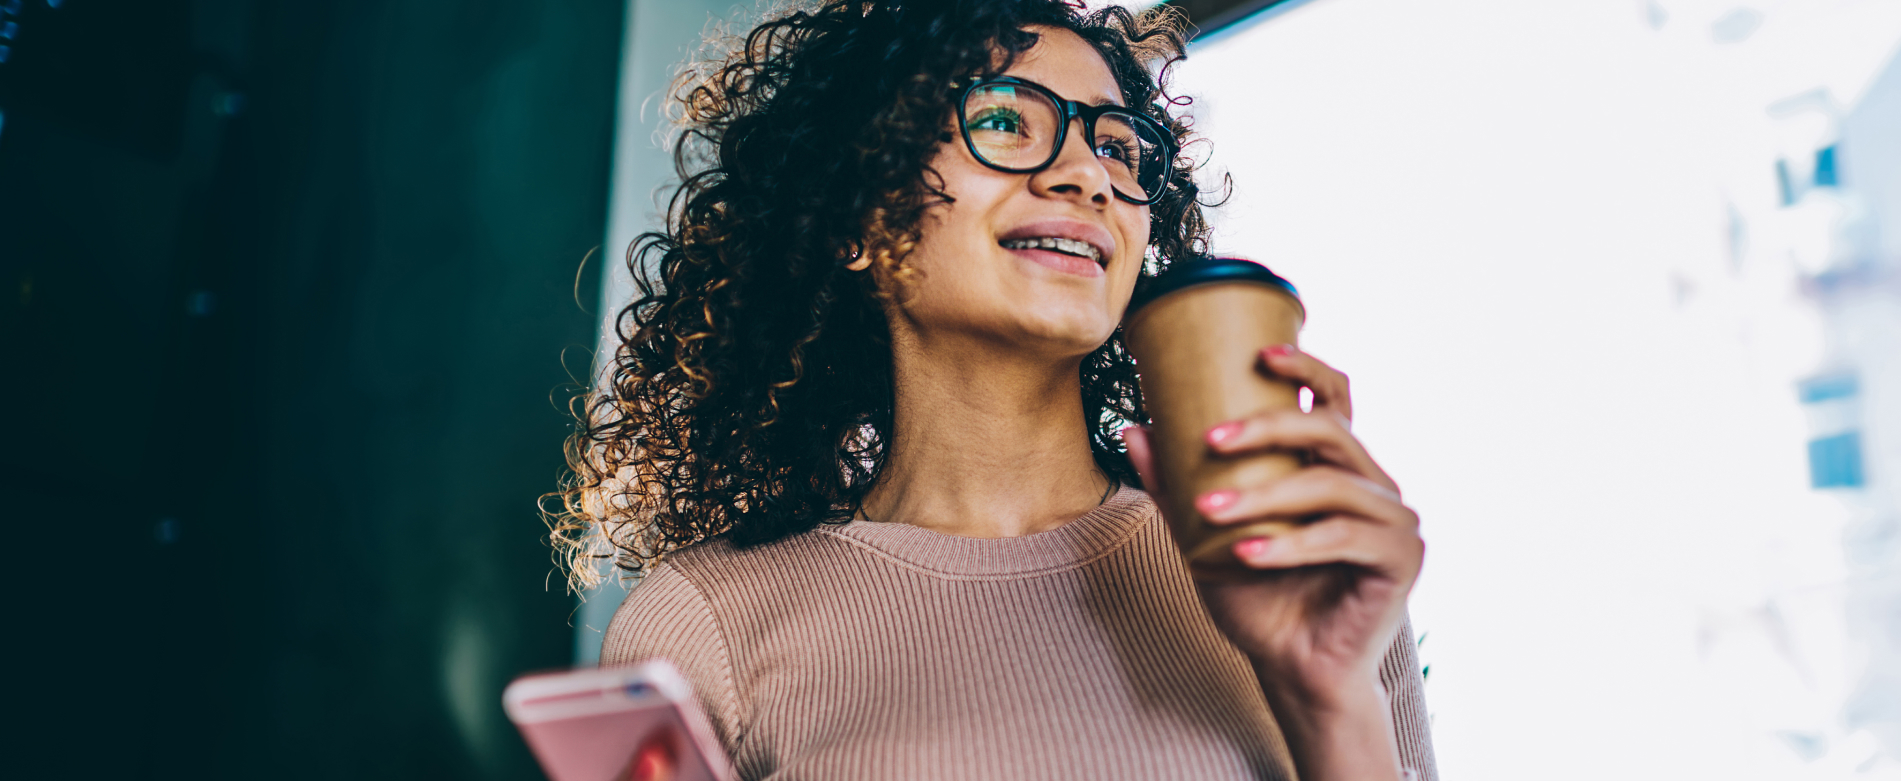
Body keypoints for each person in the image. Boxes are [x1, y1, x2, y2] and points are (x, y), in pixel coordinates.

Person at [547, 2, 1435, 778]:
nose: (1089, 175)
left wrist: (1328, 698)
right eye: (1006, 120)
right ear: (857, 215)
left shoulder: (1310, 565)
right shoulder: (706, 622)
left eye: (1120, 147)